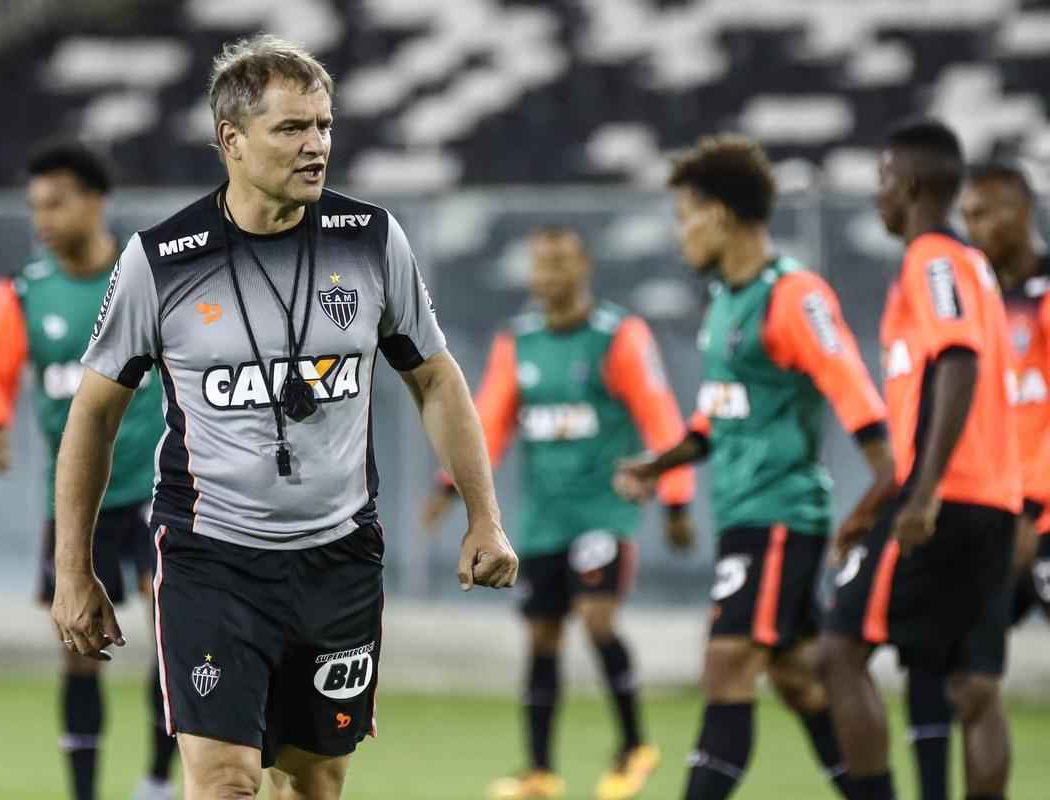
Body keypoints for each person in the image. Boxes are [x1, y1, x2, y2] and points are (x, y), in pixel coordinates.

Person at [50, 35, 519, 800]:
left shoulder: (370, 241)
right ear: (231, 141)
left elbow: (435, 379)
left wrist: (484, 515)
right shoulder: (161, 260)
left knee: (314, 785)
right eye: (293, 128)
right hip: (212, 560)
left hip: (338, 559)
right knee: (227, 782)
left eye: (325, 126)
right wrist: (75, 570)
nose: (317, 146)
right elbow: (93, 416)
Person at [614, 134, 895, 800]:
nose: (680, 234)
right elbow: (717, 416)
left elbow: (852, 389)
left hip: (778, 517)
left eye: (685, 217)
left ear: (720, 214)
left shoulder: (794, 295)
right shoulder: (725, 304)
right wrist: (660, 465)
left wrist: (886, 485)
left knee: (727, 666)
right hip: (746, 517)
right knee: (800, 679)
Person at [423, 226, 696, 800]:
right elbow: (489, 421)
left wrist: (677, 499)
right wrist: (450, 487)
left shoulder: (618, 335)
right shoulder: (517, 342)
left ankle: (633, 747)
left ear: (582, 269)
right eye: (538, 266)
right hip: (546, 517)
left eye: (556, 266)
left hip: (604, 510)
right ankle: (540, 772)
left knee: (597, 619)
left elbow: (659, 413)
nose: (545, 277)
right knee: (542, 636)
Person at [0, 143, 177, 800]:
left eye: (56, 203)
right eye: (35, 207)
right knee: (79, 651)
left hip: (157, 488)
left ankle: (155, 781)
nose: (43, 219)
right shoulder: (25, 290)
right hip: (75, 500)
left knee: (175, 634)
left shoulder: (147, 280)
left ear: (95, 201)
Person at [819, 119, 1021, 800]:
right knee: (975, 686)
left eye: (881, 181)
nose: (877, 196)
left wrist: (924, 493)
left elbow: (958, 360)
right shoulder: (975, 268)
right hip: (994, 502)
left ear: (906, 186)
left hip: (948, 501)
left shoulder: (933, 258)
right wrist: (875, 502)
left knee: (840, 653)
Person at [898, 159, 1050, 800]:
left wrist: (1033, 506)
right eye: (966, 215)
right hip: (983, 508)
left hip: (1033, 515)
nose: (972, 226)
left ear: (1022, 212)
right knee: (951, 671)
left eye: (985, 213)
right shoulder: (974, 296)